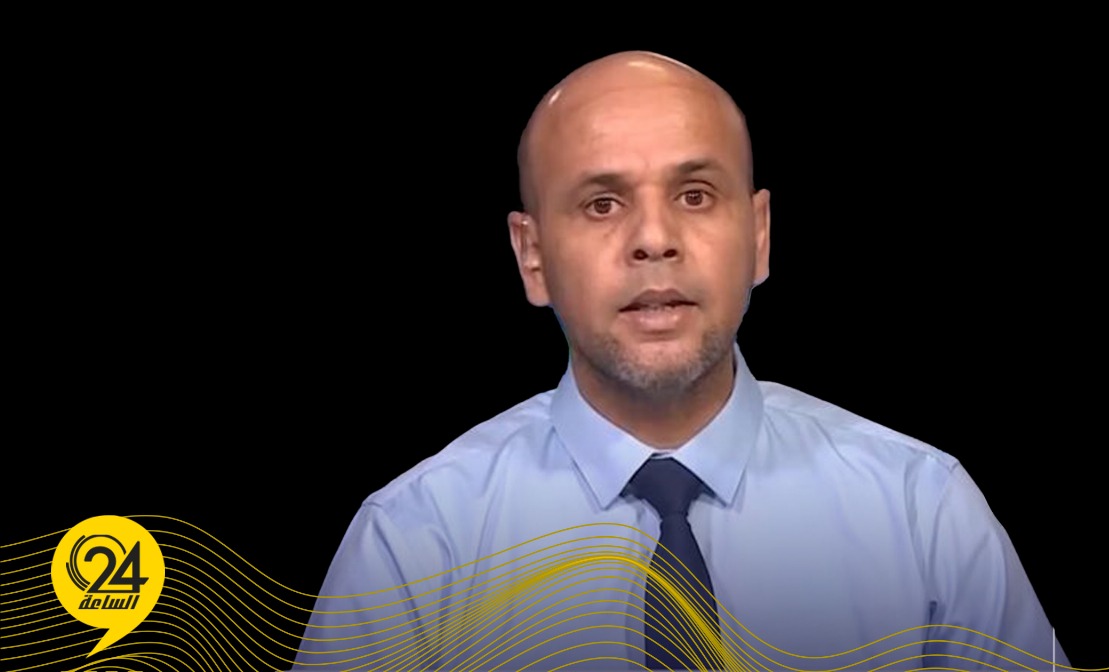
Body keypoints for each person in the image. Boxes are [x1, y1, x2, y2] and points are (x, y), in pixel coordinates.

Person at [293, 51, 1069, 671]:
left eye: (695, 195)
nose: (655, 239)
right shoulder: (415, 545)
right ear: (532, 257)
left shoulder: (923, 512)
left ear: (759, 236)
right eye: (602, 203)